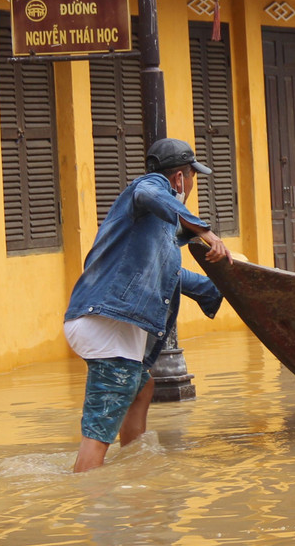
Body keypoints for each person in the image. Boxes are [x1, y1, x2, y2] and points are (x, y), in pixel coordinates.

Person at [66, 138, 232, 473]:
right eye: (192, 178)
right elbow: (147, 191)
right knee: (100, 429)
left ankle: (132, 466)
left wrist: (225, 289)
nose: (192, 186)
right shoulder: (149, 187)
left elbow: (171, 276)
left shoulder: (156, 228)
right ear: (179, 178)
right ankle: (86, 490)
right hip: (106, 323)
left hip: (106, 321)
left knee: (142, 386)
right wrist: (206, 232)